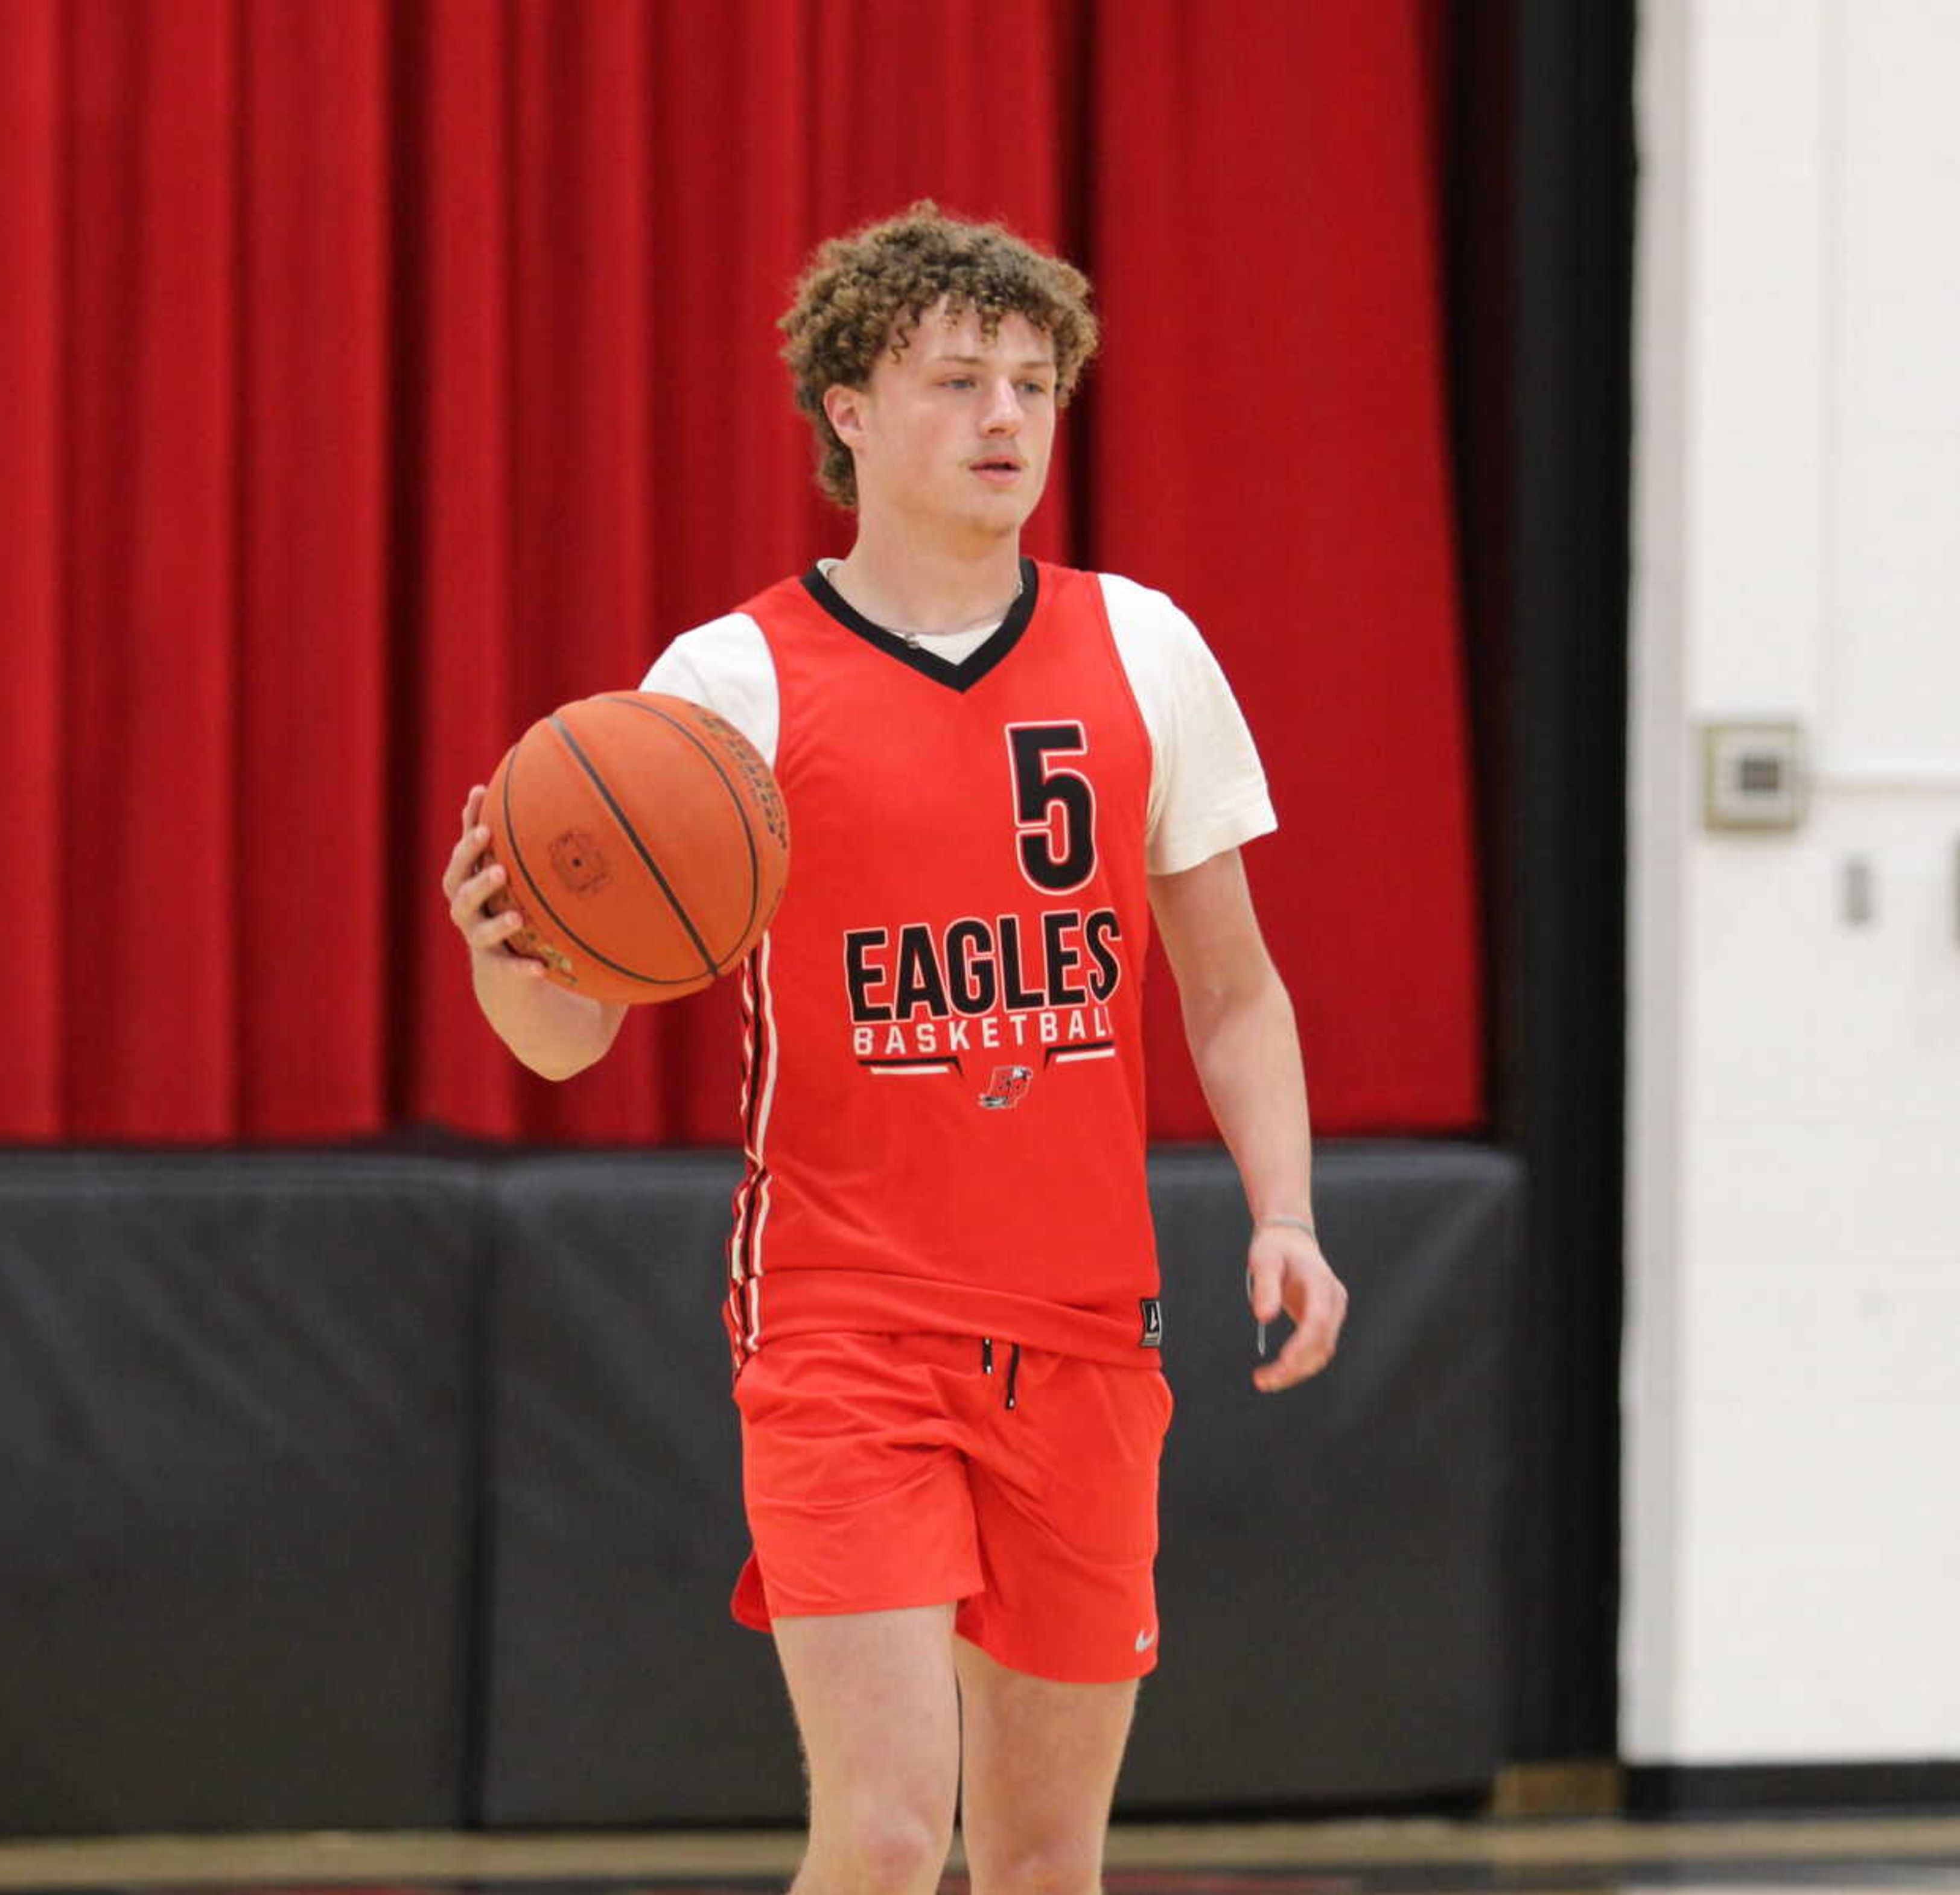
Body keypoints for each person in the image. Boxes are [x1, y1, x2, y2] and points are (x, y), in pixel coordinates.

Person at [441, 201, 1347, 1895]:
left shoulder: (1145, 645)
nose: (1008, 417)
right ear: (848, 411)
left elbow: (1232, 988)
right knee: (878, 1834)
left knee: (1041, 1859)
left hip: (1087, 1329)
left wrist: (1284, 1213)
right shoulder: (729, 684)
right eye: (958, 381)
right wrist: (508, 952)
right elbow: (568, 1035)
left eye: (1032, 381)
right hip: (845, 1324)